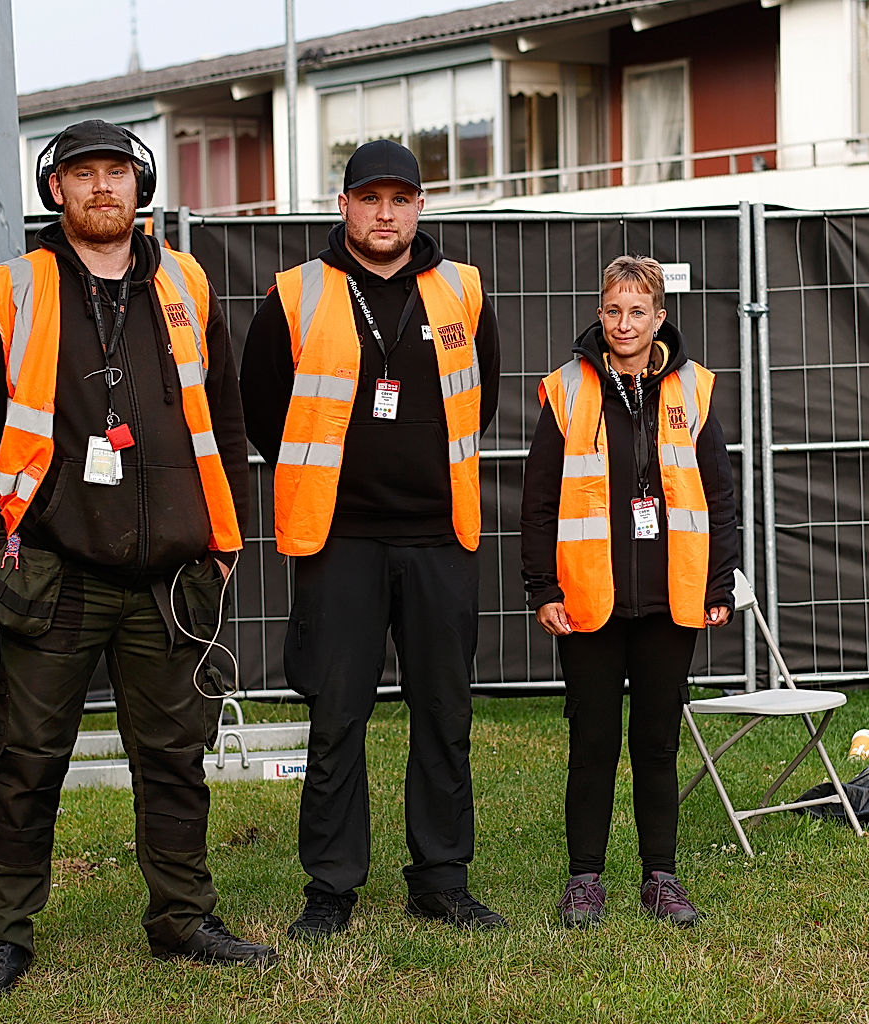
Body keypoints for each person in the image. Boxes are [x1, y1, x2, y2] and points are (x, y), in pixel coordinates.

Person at [0, 119, 277, 998]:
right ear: (57, 191)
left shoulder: (186, 282)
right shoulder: (12, 290)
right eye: (84, 176)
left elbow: (228, 417)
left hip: (171, 575)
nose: (103, 190)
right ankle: (0, 933)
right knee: (26, 759)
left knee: (175, 758)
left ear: (141, 187)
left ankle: (182, 919)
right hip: (52, 571)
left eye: (118, 174)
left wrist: (225, 544)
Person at [240, 139, 504, 939]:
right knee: (337, 717)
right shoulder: (296, 294)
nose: (384, 213)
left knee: (444, 714)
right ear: (344, 206)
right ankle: (330, 889)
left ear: (421, 206)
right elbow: (262, 410)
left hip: (439, 538)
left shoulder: (462, 288)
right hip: (340, 539)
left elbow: (480, 398)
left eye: (401, 199)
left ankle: (441, 877)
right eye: (369, 198)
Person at [520, 254, 738, 929]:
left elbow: (720, 496)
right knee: (592, 742)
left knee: (657, 741)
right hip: (588, 600)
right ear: (599, 313)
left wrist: (718, 580)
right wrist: (542, 587)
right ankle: (584, 879)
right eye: (614, 309)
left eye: (638, 310)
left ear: (659, 317)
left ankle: (660, 878)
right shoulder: (567, 389)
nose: (624, 322)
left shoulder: (693, 390)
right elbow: (537, 502)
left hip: (672, 600)